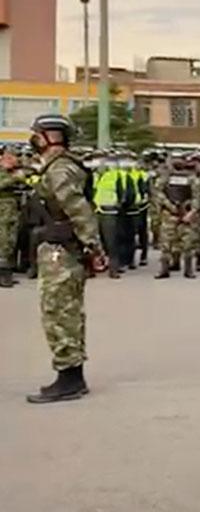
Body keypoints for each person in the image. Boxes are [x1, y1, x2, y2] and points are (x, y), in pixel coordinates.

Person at [23, 114, 106, 404]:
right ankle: (71, 375)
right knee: (62, 310)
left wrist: (94, 248)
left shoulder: (60, 169)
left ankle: (69, 378)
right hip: (58, 246)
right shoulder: (55, 167)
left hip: (62, 249)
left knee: (60, 311)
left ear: (49, 136)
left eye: (37, 134)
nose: (32, 139)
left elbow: (78, 209)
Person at [156, 156, 200, 279]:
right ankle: (164, 269)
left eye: (180, 160)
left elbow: (196, 197)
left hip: (186, 214)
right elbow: (158, 192)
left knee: (188, 243)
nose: (178, 163)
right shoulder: (166, 177)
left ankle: (188, 270)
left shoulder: (192, 179)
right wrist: (168, 205)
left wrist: (191, 212)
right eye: (175, 160)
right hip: (169, 214)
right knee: (166, 243)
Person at [0, 145, 26, 287]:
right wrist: (13, 179)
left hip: (13, 210)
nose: (16, 160)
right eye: (13, 157)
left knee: (11, 241)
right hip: (2, 211)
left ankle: (7, 271)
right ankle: (3, 275)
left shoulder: (14, 172)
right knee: (3, 241)